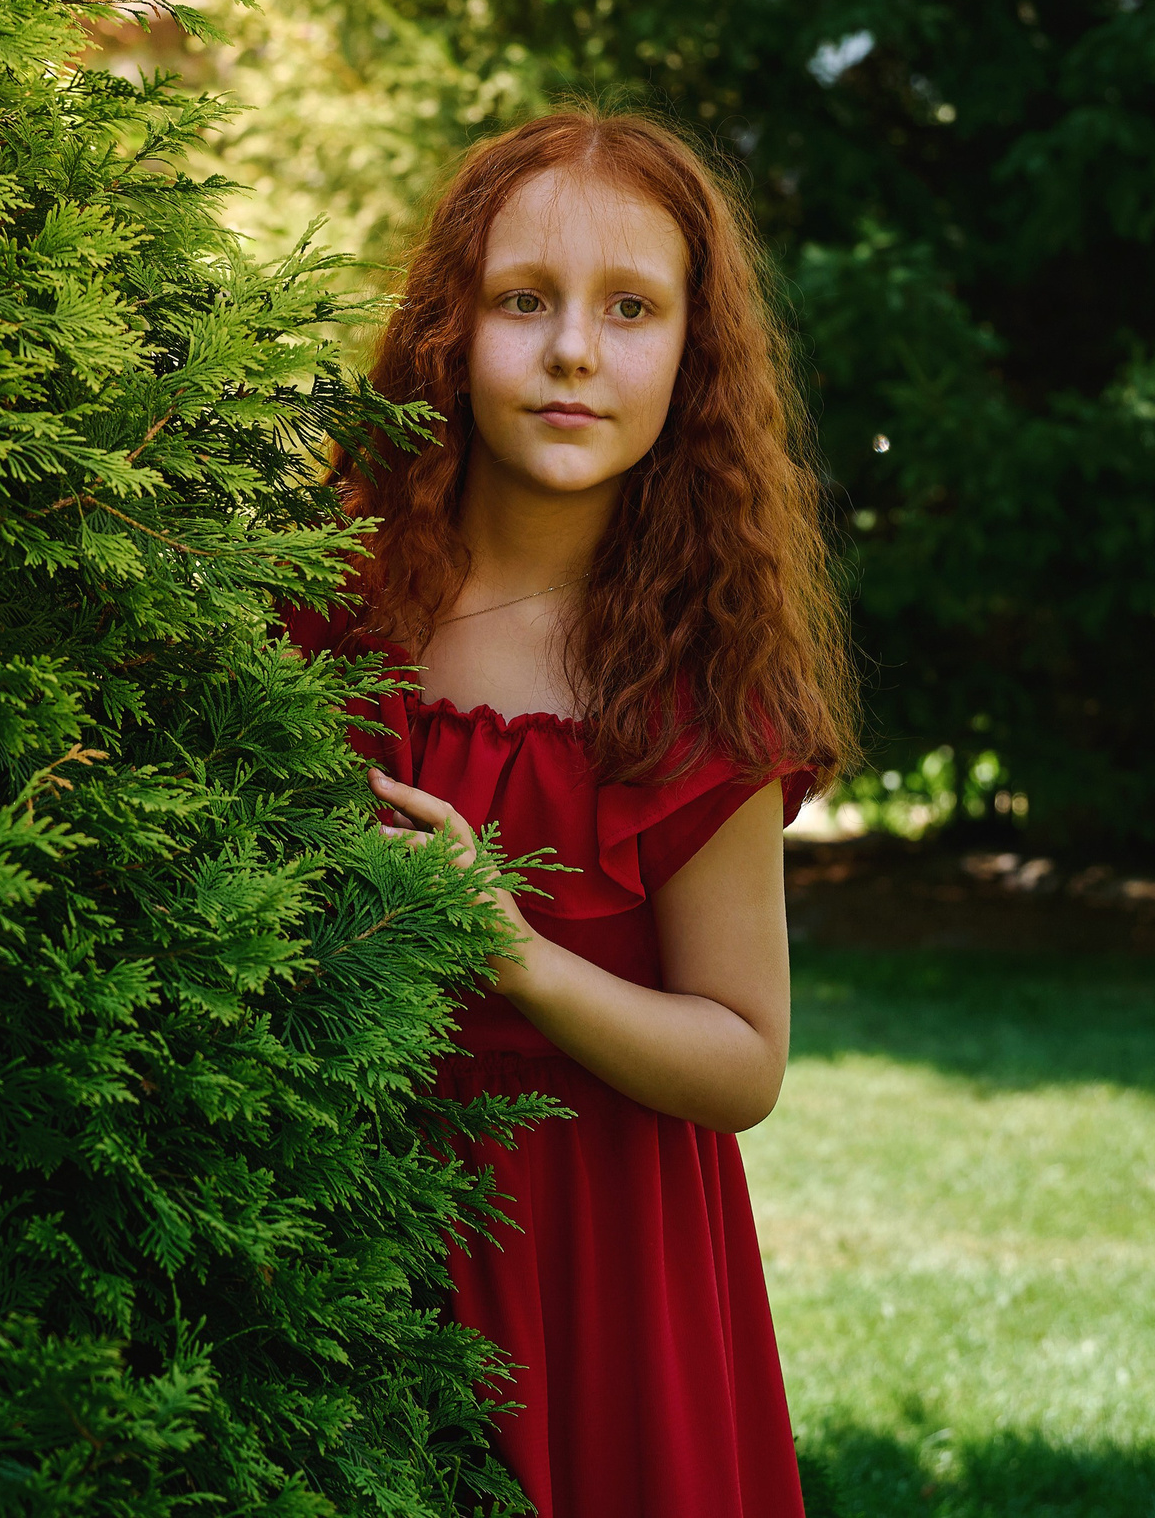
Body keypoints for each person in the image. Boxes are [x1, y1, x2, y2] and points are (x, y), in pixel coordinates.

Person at [285, 103, 860, 1515]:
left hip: (603, 1266)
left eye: (631, 309)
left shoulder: (698, 684)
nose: (573, 353)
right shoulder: (321, 605)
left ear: (696, 358)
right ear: (447, 332)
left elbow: (743, 1061)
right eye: (524, 300)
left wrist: (514, 954)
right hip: (327, 1226)